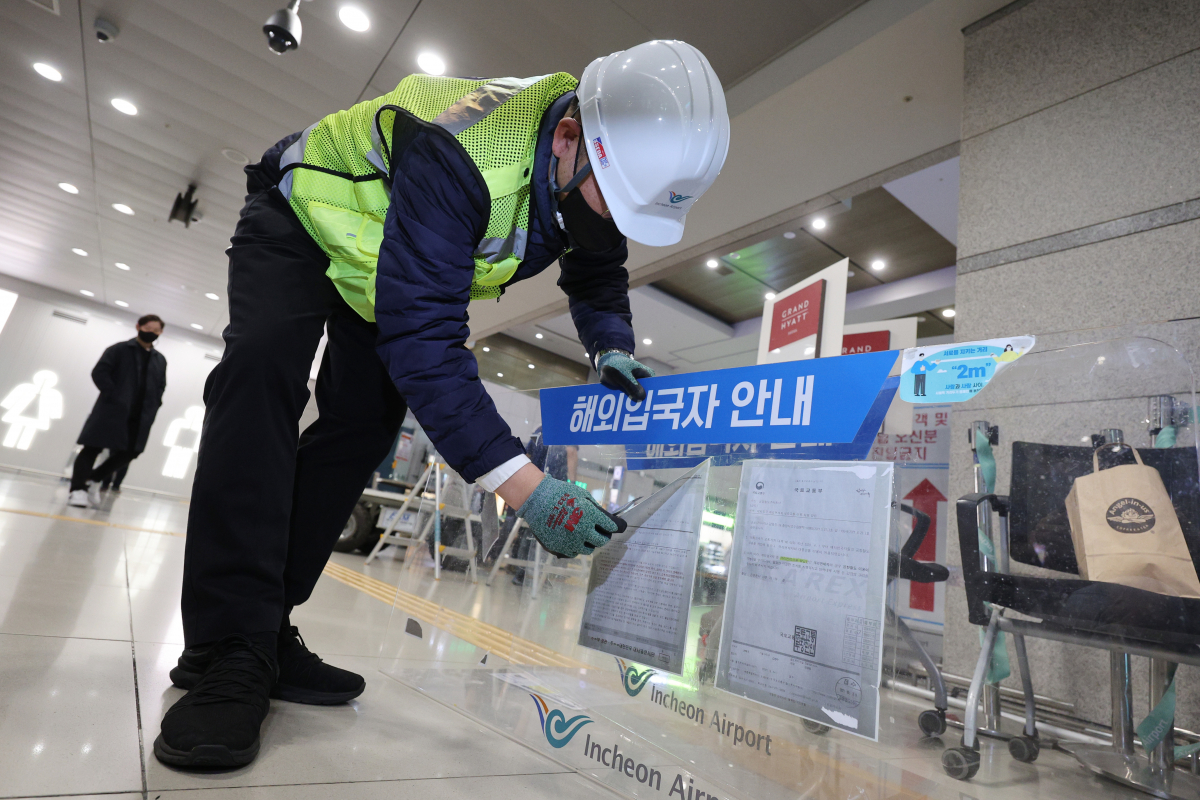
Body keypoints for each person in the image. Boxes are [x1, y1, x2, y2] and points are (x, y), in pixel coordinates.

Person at [156, 40, 729, 769]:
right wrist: (526, 489)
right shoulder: (462, 153)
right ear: (567, 137)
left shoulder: (585, 176)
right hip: (303, 218)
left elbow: (597, 268)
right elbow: (425, 340)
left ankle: (265, 631)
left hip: (383, 270)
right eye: (613, 204)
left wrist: (609, 343)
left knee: (364, 424)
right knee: (260, 378)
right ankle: (225, 649)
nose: (613, 224)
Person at [67, 315, 167, 507]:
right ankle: (77, 490)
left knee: (130, 452)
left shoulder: (159, 360)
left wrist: (155, 403)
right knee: (92, 448)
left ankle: (93, 479)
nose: (151, 333)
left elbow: (161, 385)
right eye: (148, 328)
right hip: (111, 411)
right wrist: (114, 395)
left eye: (156, 331)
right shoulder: (119, 349)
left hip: (140, 416)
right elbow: (99, 372)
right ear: (138, 326)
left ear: (160, 333)